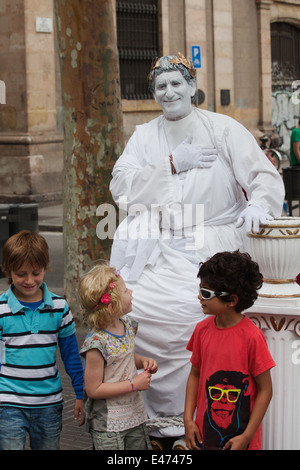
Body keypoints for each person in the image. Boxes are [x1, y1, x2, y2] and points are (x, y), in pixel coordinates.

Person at [109, 53, 284, 448]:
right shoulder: (144, 135)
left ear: (192, 87)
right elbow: (120, 187)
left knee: (195, 313)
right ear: (153, 93)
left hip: (212, 244)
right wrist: (170, 163)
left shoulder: (222, 128)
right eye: (160, 86)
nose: (169, 92)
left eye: (176, 84)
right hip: (161, 244)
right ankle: (155, 425)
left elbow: (262, 175)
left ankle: (198, 422)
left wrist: (260, 204)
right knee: (135, 309)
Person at [0, 230, 84, 450]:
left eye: (36, 273)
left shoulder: (60, 308)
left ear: (46, 267)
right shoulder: (1, 310)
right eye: (21, 274)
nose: (29, 280)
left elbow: (71, 356)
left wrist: (80, 393)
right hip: (8, 404)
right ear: (8, 271)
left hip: (49, 405)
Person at [184, 250, 274, 450]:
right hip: (205, 436)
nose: (199, 297)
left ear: (232, 301)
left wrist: (246, 436)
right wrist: (188, 419)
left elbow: (265, 390)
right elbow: (195, 375)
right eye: (200, 290)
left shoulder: (252, 337)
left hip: (241, 441)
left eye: (206, 294)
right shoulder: (201, 331)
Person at [78, 264, 158, 450]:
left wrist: (142, 361)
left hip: (133, 415)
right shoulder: (97, 344)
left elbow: (125, 355)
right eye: (124, 290)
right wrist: (133, 385)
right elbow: (93, 389)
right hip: (109, 423)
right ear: (112, 305)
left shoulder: (127, 325)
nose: (130, 291)